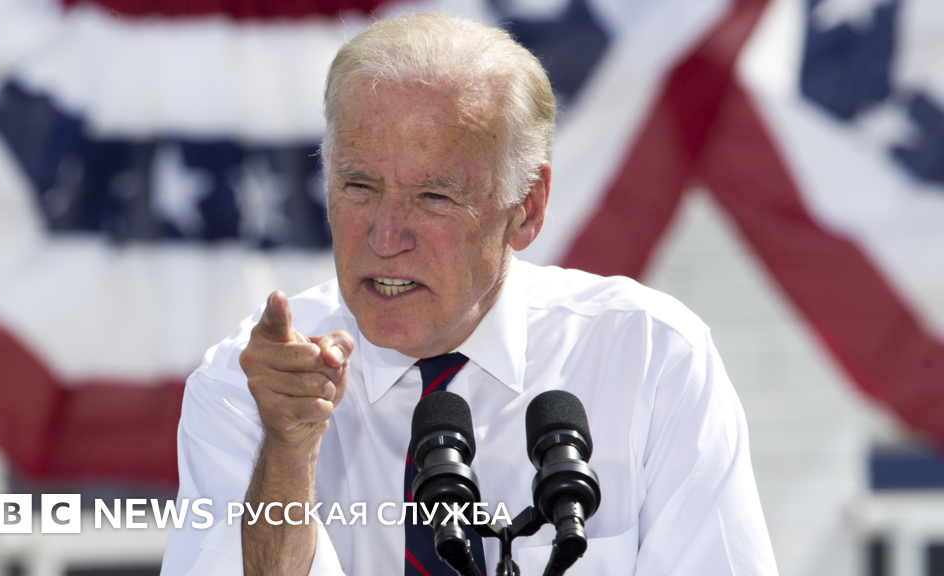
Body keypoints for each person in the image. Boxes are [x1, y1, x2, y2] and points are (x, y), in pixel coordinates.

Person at [160, 13, 778, 576]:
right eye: (359, 187)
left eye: (433, 197)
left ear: (527, 207)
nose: (385, 236)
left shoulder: (650, 358)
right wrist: (289, 450)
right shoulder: (253, 384)